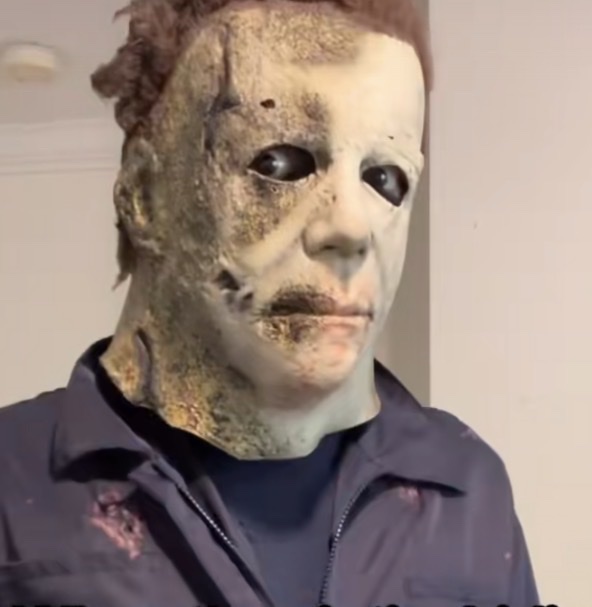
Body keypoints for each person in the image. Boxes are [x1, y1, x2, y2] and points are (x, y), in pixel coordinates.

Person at [0, 0, 540, 605]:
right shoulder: (11, 482)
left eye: (386, 178)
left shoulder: (465, 489)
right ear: (145, 196)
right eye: (279, 162)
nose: (352, 227)